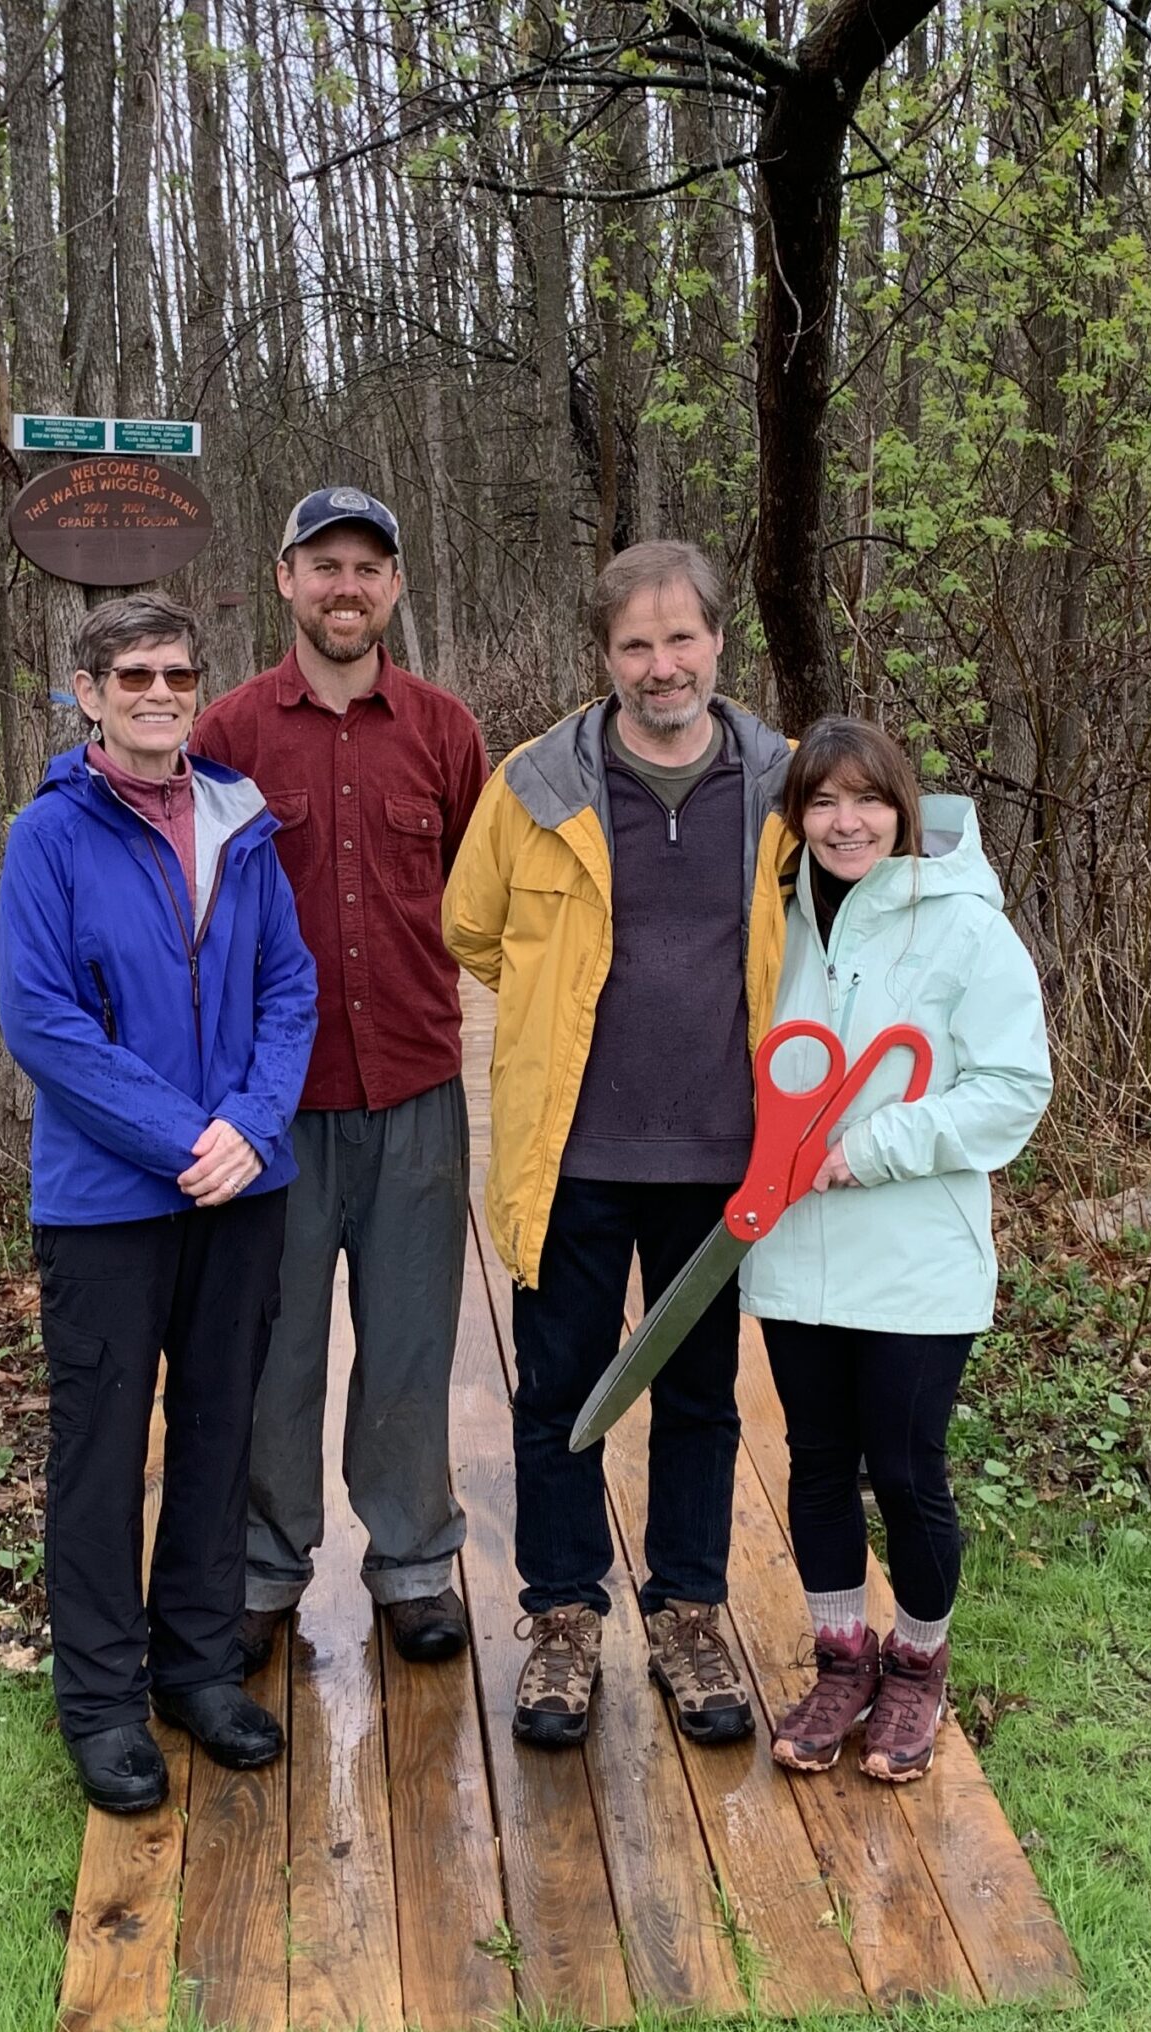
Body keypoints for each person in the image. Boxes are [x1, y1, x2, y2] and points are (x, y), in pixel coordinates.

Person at [443, 539, 794, 1749]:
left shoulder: (786, 790)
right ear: (605, 655)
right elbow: (472, 930)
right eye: (635, 645)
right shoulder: (535, 783)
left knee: (699, 1400)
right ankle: (560, 1615)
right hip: (573, 1156)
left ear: (715, 641)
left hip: (724, 1160)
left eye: (680, 637)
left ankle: (690, 1610)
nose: (661, 666)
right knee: (559, 1396)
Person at [0, 592, 318, 1816]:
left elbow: (289, 986)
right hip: (106, 1202)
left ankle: (195, 1668)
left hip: (243, 1187)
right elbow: (43, 1022)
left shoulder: (240, 817)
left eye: (177, 674)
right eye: (132, 674)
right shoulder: (51, 834)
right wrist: (192, 1136)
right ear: (87, 690)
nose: (158, 693)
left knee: (219, 1432)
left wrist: (251, 1125)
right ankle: (101, 1699)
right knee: (99, 1449)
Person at [190, 488, 490, 1670]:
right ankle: (267, 1564)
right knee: (273, 1345)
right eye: (325, 565)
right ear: (285, 581)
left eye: (368, 566)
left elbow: (481, 899)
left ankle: (413, 1559)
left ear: (395, 589)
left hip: (417, 1084)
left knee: (412, 1339)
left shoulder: (444, 731)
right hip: (275, 1105)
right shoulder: (226, 735)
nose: (346, 586)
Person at [741, 719, 1050, 1782]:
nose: (844, 822)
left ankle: (916, 1662)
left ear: (901, 808)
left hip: (917, 1256)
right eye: (820, 802)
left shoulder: (963, 926)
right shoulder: (770, 921)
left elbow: (1013, 1089)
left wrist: (866, 1147)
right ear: (795, 816)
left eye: (865, 799)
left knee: (908, 1470)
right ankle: (841, 1657)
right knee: (818, 1460)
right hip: (792, 1249)